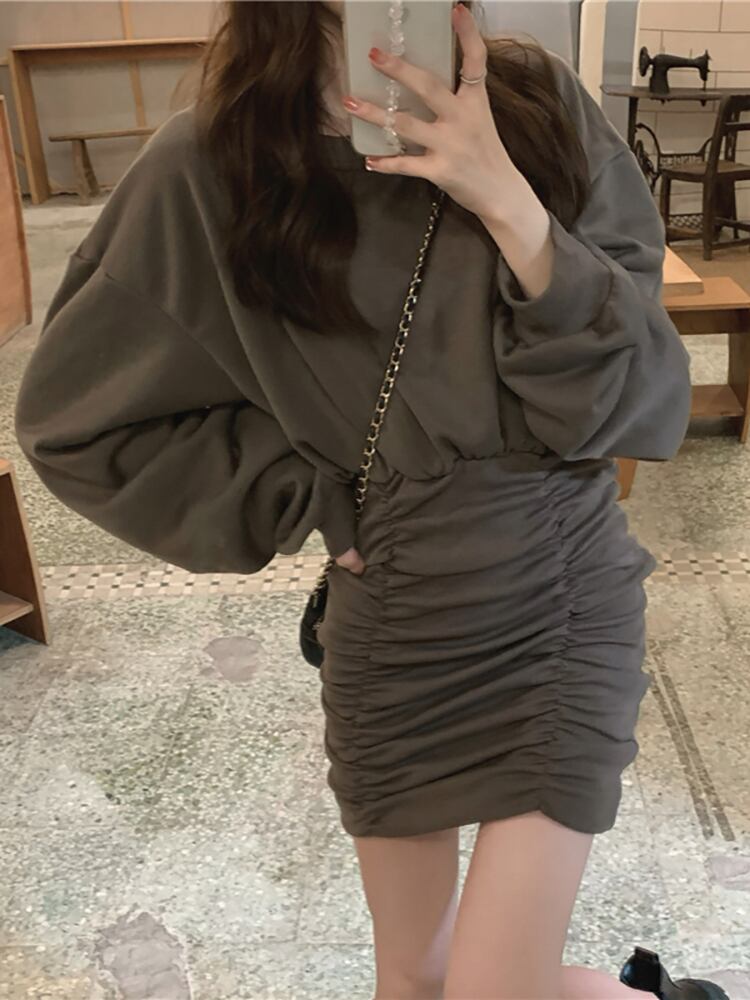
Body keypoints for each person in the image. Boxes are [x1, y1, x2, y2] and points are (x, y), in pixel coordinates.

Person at [14, 2, 728, 999]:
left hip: (561, 597)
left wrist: (508, 201)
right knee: (416, 980)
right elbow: (77, 422)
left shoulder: (538, 109)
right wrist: (307, 491)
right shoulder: (213, 164)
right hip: (396, 624)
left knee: (493, 991)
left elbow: (635, 393)